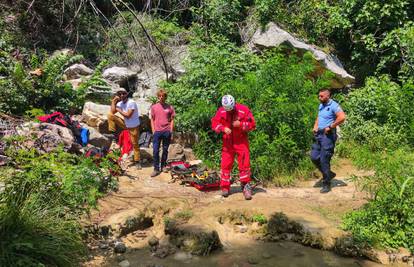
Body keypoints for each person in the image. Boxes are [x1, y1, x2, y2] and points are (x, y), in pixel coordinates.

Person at [211, 95, 256, 200]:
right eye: (228, 110)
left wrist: (241, 124)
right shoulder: (221, 111)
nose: (229, 112)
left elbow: (252, 124)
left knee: (245, 164)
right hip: (227, 143)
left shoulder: (243, 110)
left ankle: (245, 187)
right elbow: (214, 123)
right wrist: (223, 128)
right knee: (225, 165)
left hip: (241, 141)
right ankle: (225, 188)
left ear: (234, 104)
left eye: (231, 109)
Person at [310, 89, 346, 193]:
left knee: (324, 160)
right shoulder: (321, 105)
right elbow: (319, 117)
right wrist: (315, 126)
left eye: (321, 96)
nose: (319, 98)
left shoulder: (334, 105)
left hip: (328, 135)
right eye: (319, 96)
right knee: (314, 157)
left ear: (327, 96)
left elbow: (342, 117)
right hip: (319, 134)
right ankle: (329, 174)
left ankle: (327, 184)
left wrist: (331, 126)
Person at [107, 88, 142, 169]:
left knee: (135, 144)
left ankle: (137, 161)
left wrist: (118, 109)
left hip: (133, 126)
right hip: (126, 124)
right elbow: (112, 111)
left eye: (123, 93)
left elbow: (128, 115)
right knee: (110, 115)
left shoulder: (131, 102)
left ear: (127, 94)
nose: (122, 95)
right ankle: (113, 135)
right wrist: (113, 101)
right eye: (120, 94)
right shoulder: (120, 103)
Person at [150, 89, 175, 177]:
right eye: (160, 96)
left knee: (165, 150)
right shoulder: (154, 107)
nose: (161, 97)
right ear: (158, 96)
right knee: (155, 151)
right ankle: (156, 169)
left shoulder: (170, 107)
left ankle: (163, 166)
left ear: (165, 97)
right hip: (157, 131)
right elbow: (152, 119)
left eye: (163, 96)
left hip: (166, 131)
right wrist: (153, 131)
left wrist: (171, 130)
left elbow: (172, 119)